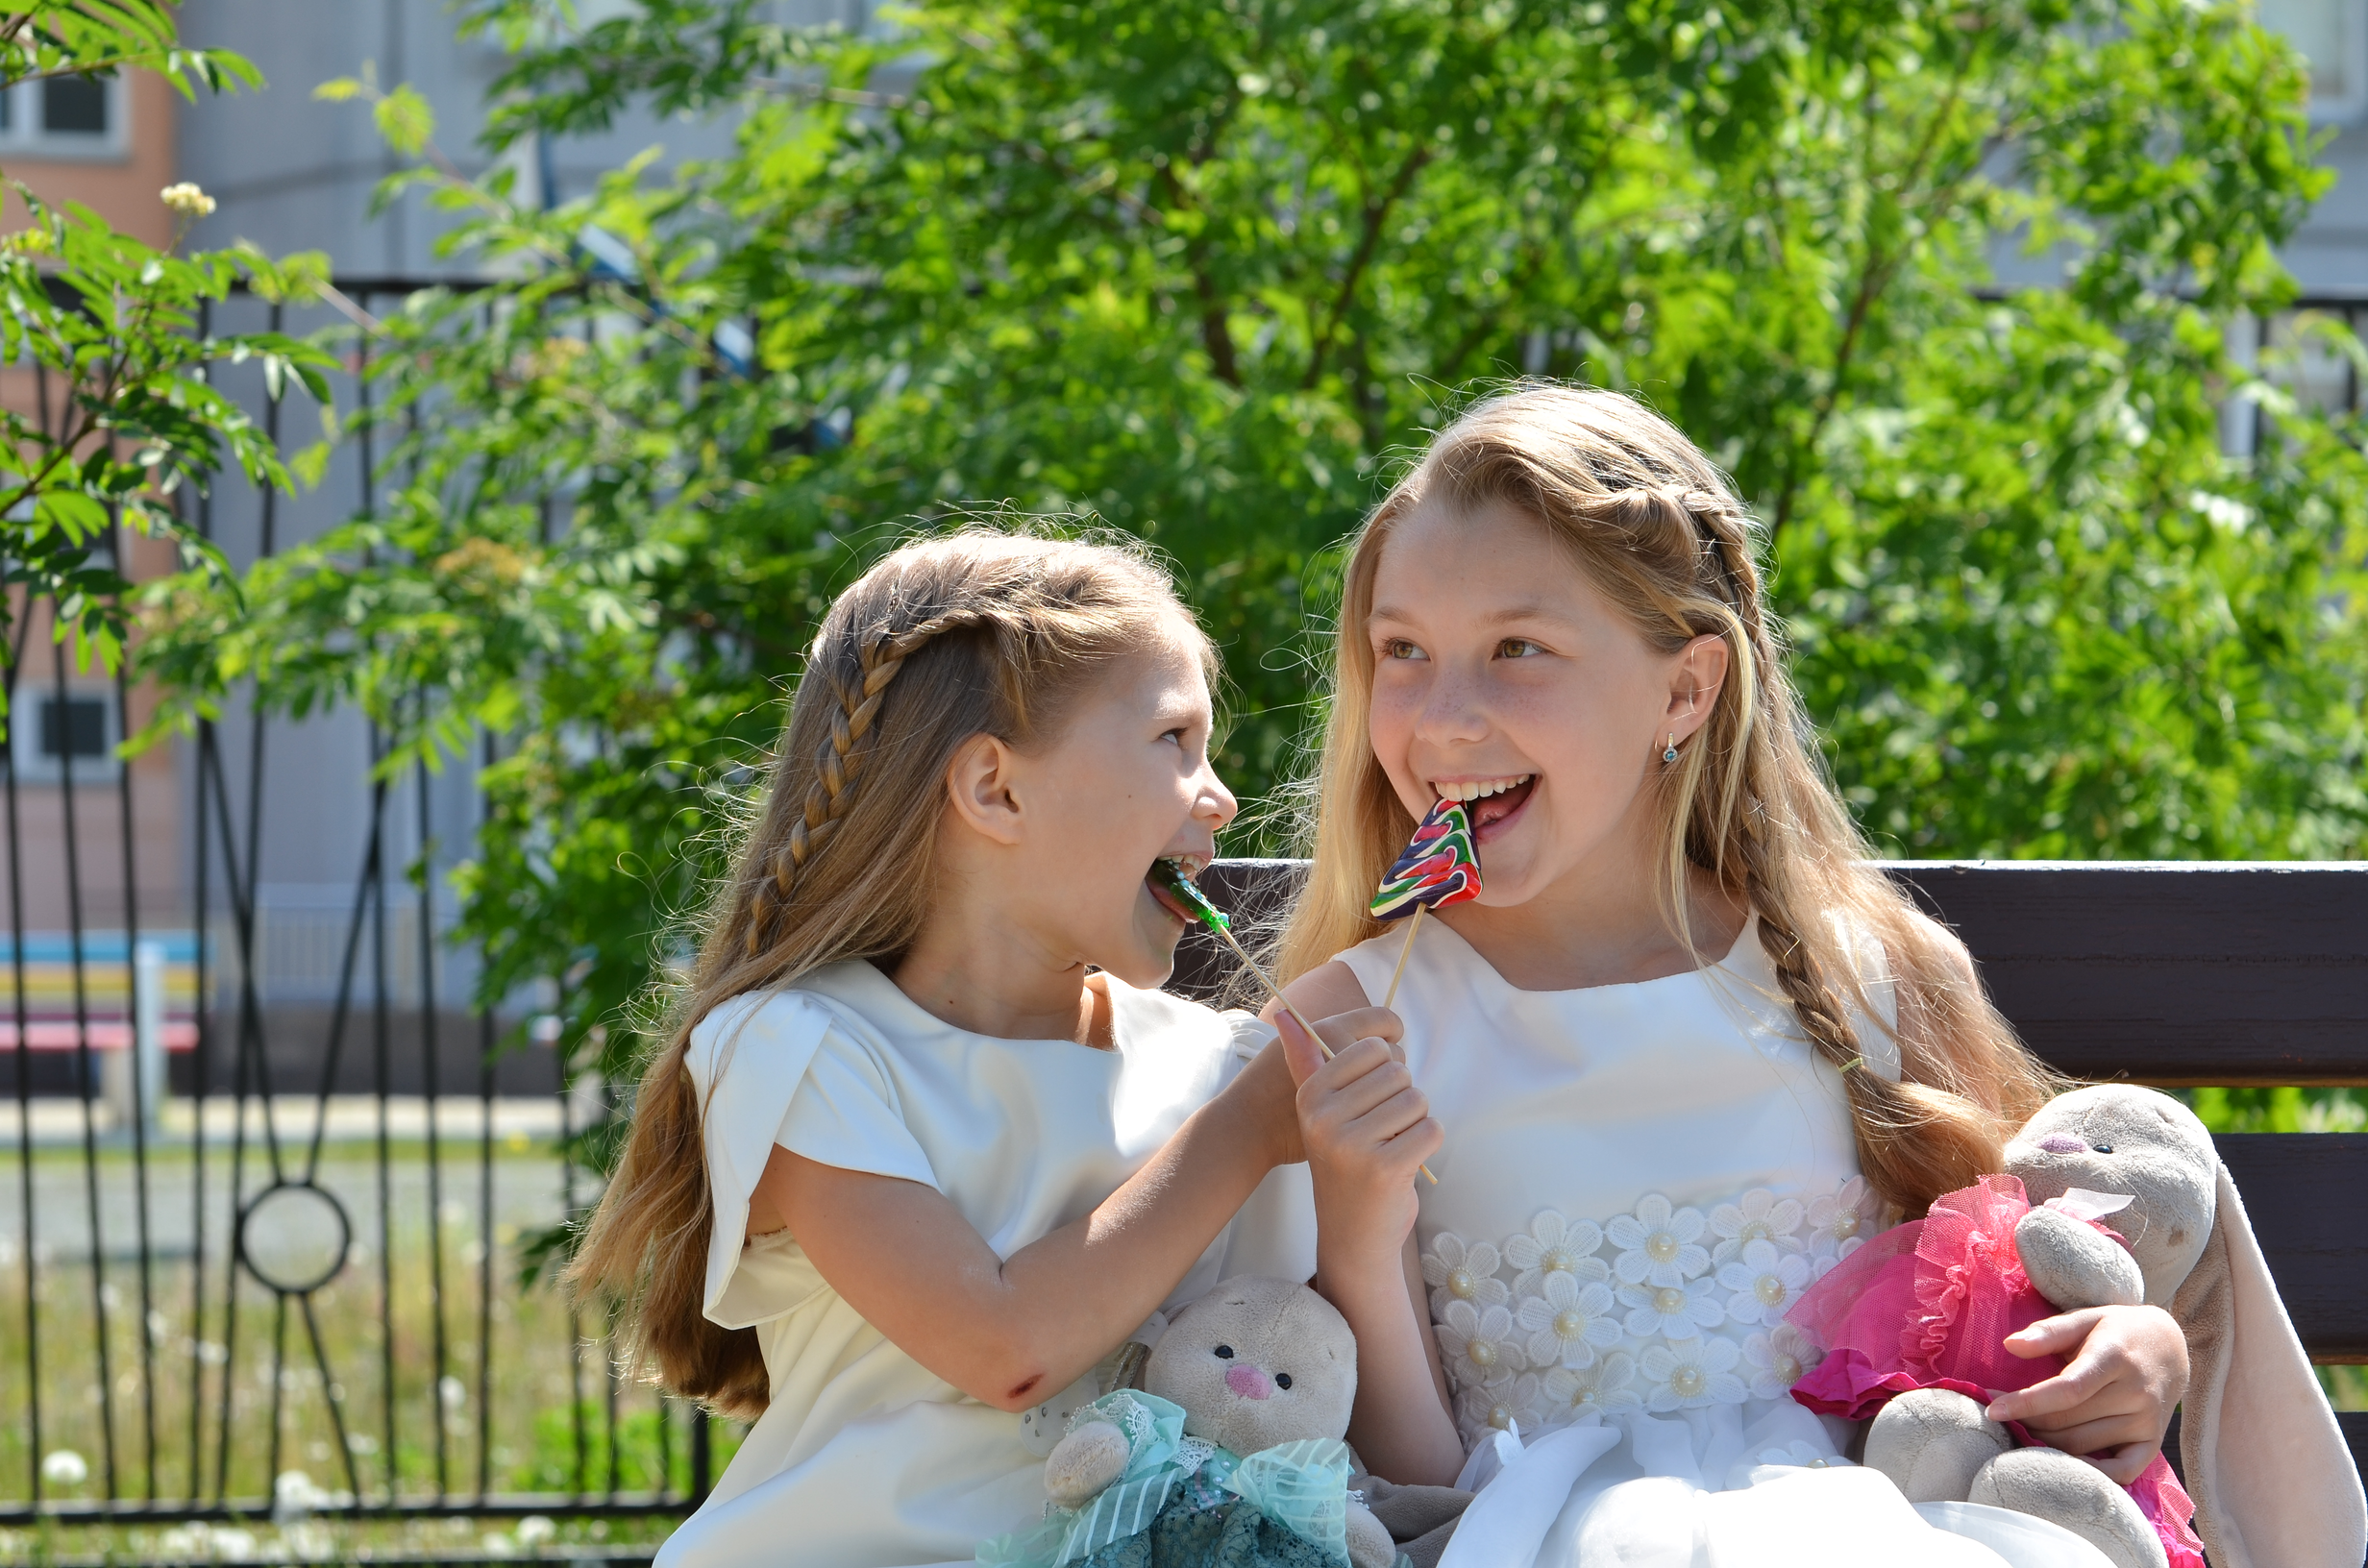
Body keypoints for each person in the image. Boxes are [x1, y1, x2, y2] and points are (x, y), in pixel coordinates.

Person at [1267, 386, 2197, 1567]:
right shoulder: (1358, 1021)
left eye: (1517, 649)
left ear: (1685, 690)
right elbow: (1410, 1497)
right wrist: (1357, 1235)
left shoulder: (1871, 976)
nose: (1444, 717)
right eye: (1403, 651)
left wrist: (2128, 1355)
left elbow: (2010, 1314)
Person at [569, 532, 1332, 1568]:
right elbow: (1002, 1349)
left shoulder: (1230, 1069)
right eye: (1173, 740)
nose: (1220, 796)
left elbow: (1297, 1378)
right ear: (995, 789)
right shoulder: (801, 1050)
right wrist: (1243, 1137)